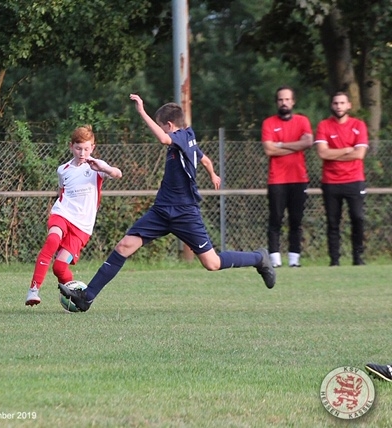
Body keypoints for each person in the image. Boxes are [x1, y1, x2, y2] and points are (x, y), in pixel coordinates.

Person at [59, 94, 276, 312]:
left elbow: (165, 139)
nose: (162, 131)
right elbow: (204, 159)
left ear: (170, 126)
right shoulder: (188, 139)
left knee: (212, 263)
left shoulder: (180, 136)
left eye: (162, 127)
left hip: (185, 212)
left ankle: (259, 258)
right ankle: (87, 297)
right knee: (124, 246)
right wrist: (212, 174)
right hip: (162, 211)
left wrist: (142, 111)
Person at [25, 125, 122, 306]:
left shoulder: (97, 167)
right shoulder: (63, 170)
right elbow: (62, 192)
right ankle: (33, 290)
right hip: (62, 214)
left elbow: (118, 174)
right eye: (78, 148)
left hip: (82, 226)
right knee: (52, 240)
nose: (82, 153)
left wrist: (105, 168)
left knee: (60, 267)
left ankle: (75, 298)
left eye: (86, 148)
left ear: (92, 147)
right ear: (71, 147)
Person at [261, 86, 313, 268]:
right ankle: (275, 260)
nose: (284, 103)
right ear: (277, 102)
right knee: (275, 219)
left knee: (296, 220)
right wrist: (296, 145)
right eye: (280, 100)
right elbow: (269, 150)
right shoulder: (269, 123)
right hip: (277, 179)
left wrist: (280, 145)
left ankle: (294, 260)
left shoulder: (302, 121)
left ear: (293, 101)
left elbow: (308, 142)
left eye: (287, 99)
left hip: (299, 178)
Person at [314, 92, 368, 266]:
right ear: (332, 105)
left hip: (354, 180)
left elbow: (359, 154)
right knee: (333, 222)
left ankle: (358, 258)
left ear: (349, 105)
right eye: (336, 103)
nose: (339, 106)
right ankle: (335, 261)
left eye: (342, 103)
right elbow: (323, 153)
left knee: (358, 218)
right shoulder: (324, 125)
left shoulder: (358, 125)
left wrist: (334, 153)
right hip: (331, 182)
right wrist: (346, 150)